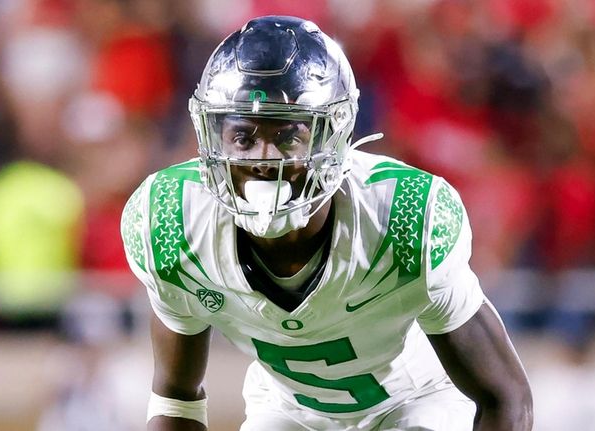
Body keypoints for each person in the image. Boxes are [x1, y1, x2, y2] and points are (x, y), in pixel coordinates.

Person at [121, 15, 532, 431]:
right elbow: (176, 399)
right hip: (288, 412)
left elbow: (505, 397)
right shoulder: (173, 222)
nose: (264, 159)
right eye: (243, 138)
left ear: (332, 139)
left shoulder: (402, 216)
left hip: (416, 401)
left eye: (287, 136)